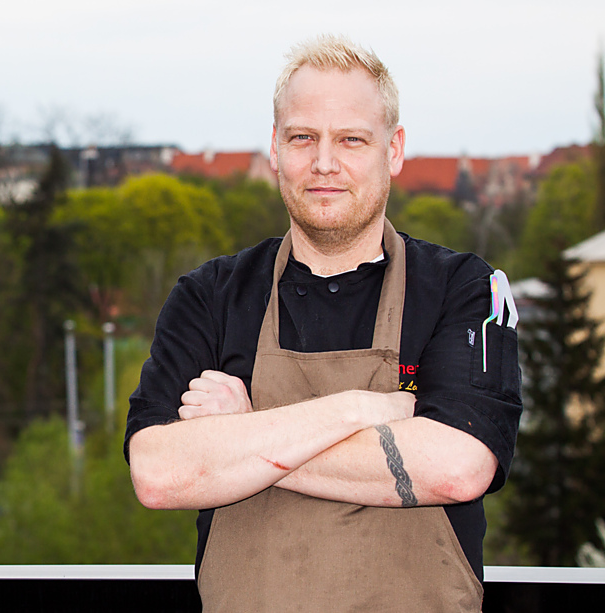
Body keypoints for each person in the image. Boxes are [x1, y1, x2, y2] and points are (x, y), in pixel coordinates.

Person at [124, 35, 522, 612]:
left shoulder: (464, 290)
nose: (324, 163)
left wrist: (244, 433)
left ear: (394, 150)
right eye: (303, 137)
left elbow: (458, 467)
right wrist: (357, 410)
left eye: (351, 139)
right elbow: (160, 473)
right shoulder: (209, 297)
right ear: (275, 150)